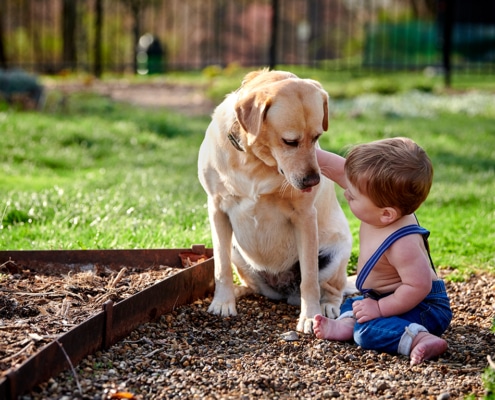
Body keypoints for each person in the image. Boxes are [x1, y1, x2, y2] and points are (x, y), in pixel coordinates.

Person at [314, 137, 452, 365]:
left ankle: (420, 338)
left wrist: (379, 308)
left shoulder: (401, 244)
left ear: (386, 214)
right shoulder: (380, 203)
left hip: (423, 306)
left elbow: (418, 286)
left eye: (353, 195)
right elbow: (339, 170)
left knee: (366, 331)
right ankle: (349, 322)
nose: (346, 193)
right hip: (385, 296)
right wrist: (305, 155)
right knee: (354, 305)